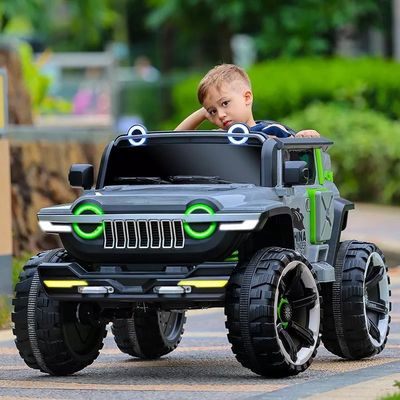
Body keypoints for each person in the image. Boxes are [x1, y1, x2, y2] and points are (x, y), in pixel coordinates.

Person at [175, 64, 319, 138]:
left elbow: (296, 150)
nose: (220, 115)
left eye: (225, 103)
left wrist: (305, 136)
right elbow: (174, 140)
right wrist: (203, 113)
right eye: (213, 111)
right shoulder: (218, 137)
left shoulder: (270, 131)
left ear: (247, 97)